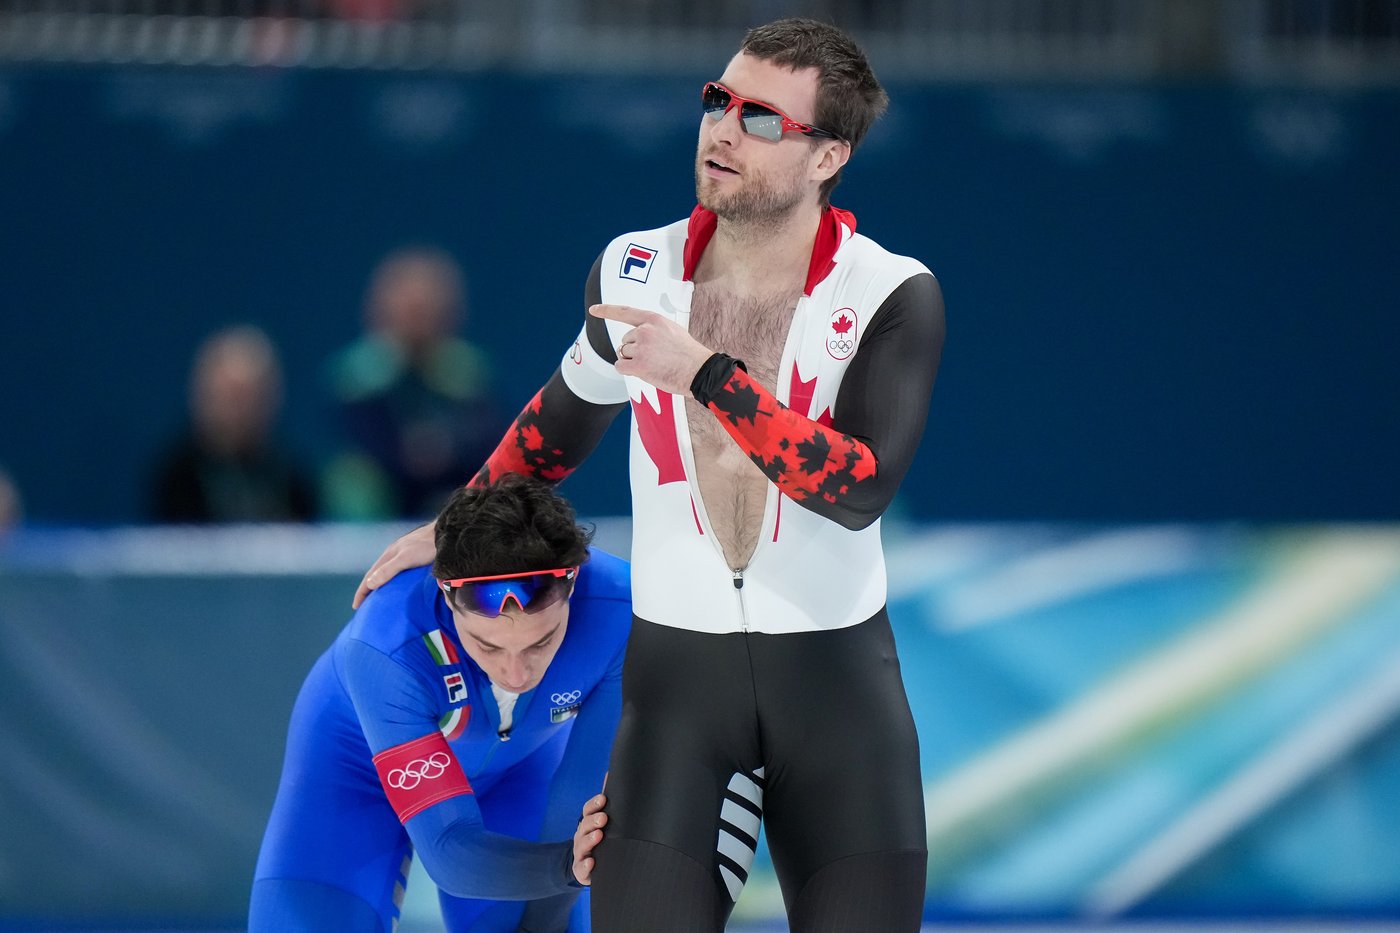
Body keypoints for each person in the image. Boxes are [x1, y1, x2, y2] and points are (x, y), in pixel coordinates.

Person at [355, 17, 946, 932]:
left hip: (838, 695)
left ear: (828, 156)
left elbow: (857, 485)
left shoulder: (889, 291)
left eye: (760, 119)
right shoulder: (636, 270)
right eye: (718, 100)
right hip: (679, 692)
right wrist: (458, 522)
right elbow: (557, 422)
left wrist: (703, 374)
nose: (720, 128)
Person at [250, 474, 630, 932]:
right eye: (488, 647)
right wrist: (564, 869)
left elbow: (578, 799)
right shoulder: (387, 646)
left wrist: (560, 890)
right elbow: (450, 849)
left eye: (542, 642)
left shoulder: (618, 606)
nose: (517, 674)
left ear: (573, 588)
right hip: (353, 776)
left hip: (517, 772)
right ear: (448, 602)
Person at [321, 246, 504, 521]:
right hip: (380, 503)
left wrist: (445, 450)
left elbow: (489, 438)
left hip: (449, 494)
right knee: (353, 480)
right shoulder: (356, 376)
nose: (418, 318)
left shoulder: (469, 372)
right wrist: (410, 455)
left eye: (427, 309)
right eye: (410, 309)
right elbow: (358, 438)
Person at [148, 324, 316, 523]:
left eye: (251, 397)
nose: (240, 411)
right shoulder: (177, 479)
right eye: (230, 395)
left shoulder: (290, 480)